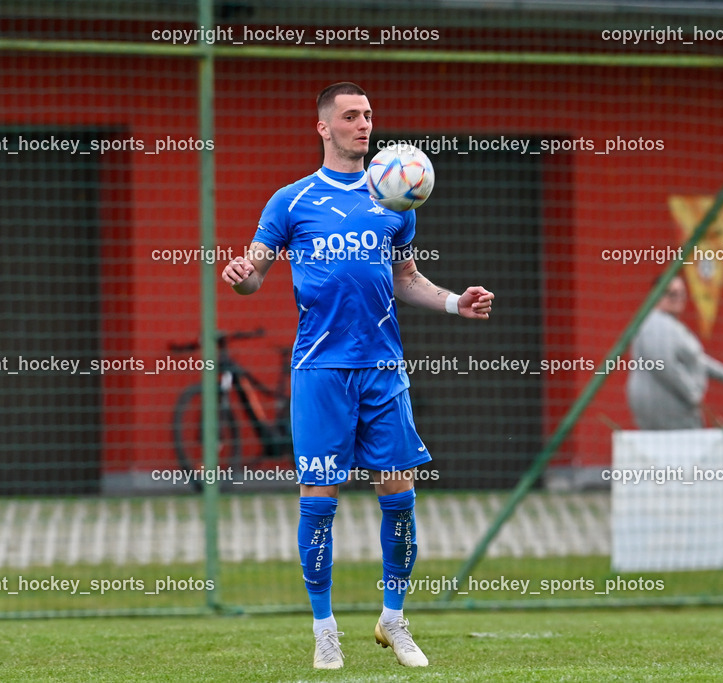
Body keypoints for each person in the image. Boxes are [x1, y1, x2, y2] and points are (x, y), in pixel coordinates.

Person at [222, 82, 494, 670]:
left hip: (382, 370)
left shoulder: (396, 197)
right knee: (319, 500)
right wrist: (241, 273)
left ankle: (394, 619)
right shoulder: (291, 202)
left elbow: (406, 278)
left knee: (399, 495)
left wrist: (454, 303)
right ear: (324, 127)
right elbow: (253, 277)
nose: (363, 124)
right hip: (319, 370)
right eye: (350, 116)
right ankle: (325, 630)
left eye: (368, 115)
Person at [626, 275, 723, 430]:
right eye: (671, 293)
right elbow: (664, 365)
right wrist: (691, 393)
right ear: (655, 295)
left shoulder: (669, 325)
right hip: (668, 410)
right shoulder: (657, 324)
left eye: (682, 294)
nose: (678, 298)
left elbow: (695, 358)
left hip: (674, 410)